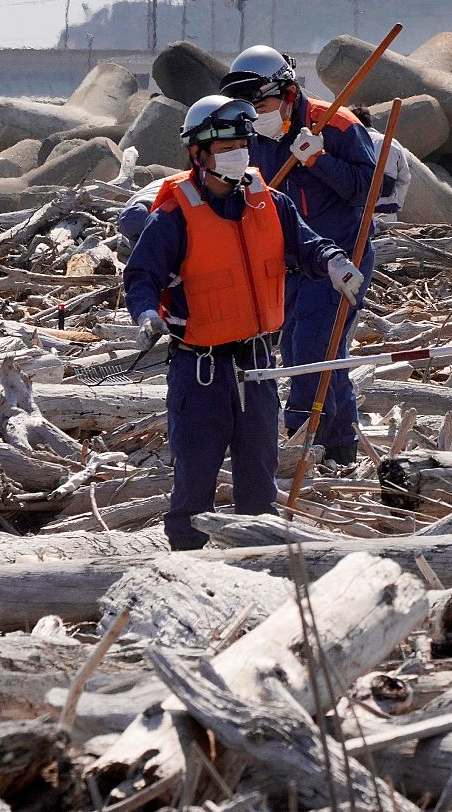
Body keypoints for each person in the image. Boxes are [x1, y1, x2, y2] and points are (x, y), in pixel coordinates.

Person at [123, 96, 362, 550]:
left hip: (258, 368)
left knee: (259, 490)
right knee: (194, 490)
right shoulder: (174, 216)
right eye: (226, 145)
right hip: (201, 373)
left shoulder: (268, 201)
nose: (238, 153)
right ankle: (186, 577)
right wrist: (147, 314)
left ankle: (261, 570)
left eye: (242, 143)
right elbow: (141, 276)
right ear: (199, 154)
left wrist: (335, 264)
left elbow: (307, 245)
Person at [219, 45, 378, 465]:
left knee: (313, 352)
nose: (256, 112)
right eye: (248, 107)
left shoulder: (338, 124)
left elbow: (369, 190)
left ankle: (302, 443)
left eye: (263, 103)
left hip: (338, 259)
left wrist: (319, 160)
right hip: (286, 264)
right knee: (301, 350)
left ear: (288, 91)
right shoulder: (252, 135)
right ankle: (340, 445)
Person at [350, 105, 413, 218]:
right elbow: (405, 178)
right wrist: (396, 203)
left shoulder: (350, 142)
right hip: (386, 212)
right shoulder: (391, 143)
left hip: (355, 212)